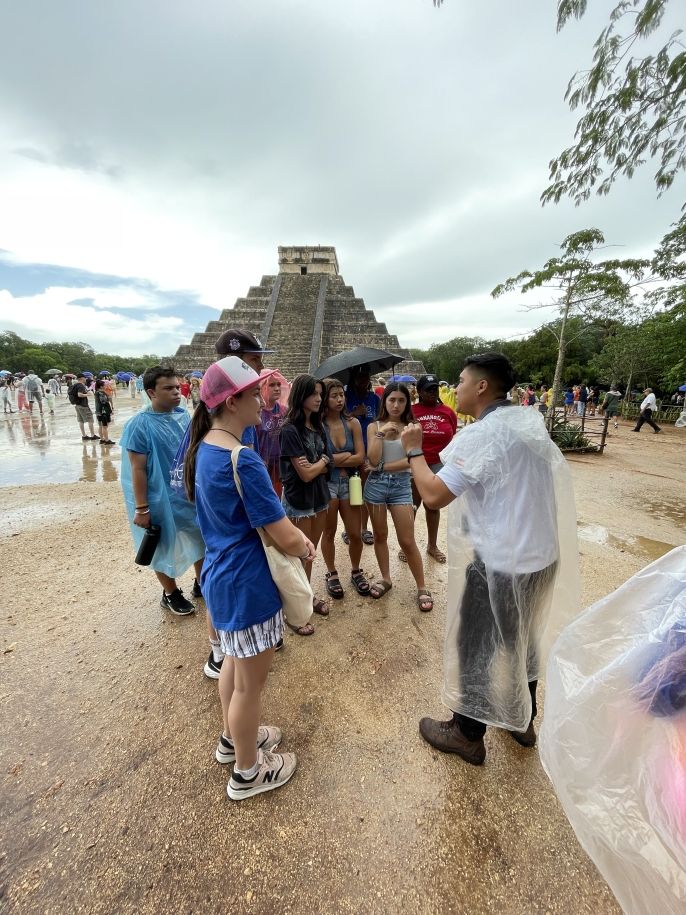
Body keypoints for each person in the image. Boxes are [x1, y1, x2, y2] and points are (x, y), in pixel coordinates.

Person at [400, 352, 578, 766]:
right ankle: (521, 718)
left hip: (502, 560)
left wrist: (411, 450)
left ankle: (467, 733)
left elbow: (432, 495)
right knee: (522, 636)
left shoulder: (482, 435)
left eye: (461, 381)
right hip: (540, 556)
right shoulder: (527, 421)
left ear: (482, 386)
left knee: (474, 642)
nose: (455, 388)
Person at [185, 356, 312, 800]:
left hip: (221, 576)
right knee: (249, 685)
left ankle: (232, 741)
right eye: (254, 393)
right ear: (232, 401)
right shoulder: (244, 458)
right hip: (248, 581)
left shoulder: (204, 447)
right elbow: (280, 532)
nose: (262, 400)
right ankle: (247, 772)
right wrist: (305, 547)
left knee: (233, 668)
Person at [120, 366, 205, 617]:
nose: (177, 393)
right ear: (151, 392)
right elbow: (137, 469)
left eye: (177, 387)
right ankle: (170, 593)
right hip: (158, 497)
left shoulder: (183, 417)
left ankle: (203, 582)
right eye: (168, 388)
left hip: (186, 492)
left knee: (200, 536)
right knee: (162, 544)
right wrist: (142, 507)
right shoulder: (139, 425)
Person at [365, 382, 433, 612]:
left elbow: (411, 460)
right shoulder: (374, 426)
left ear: (407, 402)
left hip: (402, 485)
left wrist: (383, 467)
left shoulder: (413, 428)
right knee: (380, 535)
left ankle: (422, 586)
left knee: (407, 540)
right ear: (384, 401)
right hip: (375, 487)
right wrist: (382, 434)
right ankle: (386, 578)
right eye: (391, 400)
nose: (396, 405)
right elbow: (371, 459)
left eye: (401, 400)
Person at [279, 374, 331, 629]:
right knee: (298, 555)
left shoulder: (319, 426)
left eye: (321, 394)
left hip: (320, 497)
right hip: (299, 499)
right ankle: (294, 610)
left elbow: (318, 467)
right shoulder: (289, 430)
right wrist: (321, 463)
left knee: (310, 554)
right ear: (301, 396)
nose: (319, 399)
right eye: (314, 394)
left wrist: (318, 465)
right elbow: (307, 473)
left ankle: (306, 597)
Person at [320, 377, 370, 599]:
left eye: (342, 395)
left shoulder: (353, 423)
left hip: (351, 484)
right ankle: (331, 572)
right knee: (328, 532)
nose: (340, 400)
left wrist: (332, 459)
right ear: (325, 399)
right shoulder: (318, 425)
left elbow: (361, 456)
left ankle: (356, 569)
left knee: (355, 533)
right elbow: (318, 459)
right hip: (328, 484)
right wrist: (344, 457)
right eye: (334, 396)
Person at [400, 374, 457, 566]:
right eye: (428, 390)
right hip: (416, 463)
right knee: (413, 505)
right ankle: (407, 545)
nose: (432, 393)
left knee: (433, 506)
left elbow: (452, 436)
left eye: (435, 389)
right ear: (420, 392)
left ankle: (432, 545)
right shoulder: (411, 411)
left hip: (438, 464)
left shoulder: (448, 412)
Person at [344, 366, 380, 547]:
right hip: (349, 452)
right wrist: (353, 414)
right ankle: (349, 528)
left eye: (366, 376)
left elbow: (381, 420)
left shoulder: (374, 399)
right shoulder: (345, 397)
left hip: (369, 451)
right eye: (359, 377)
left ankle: (364, 528)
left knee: (364, 491)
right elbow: (336, 420)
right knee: (350, 492)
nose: (363, 381)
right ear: (353, 379)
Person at [256, 370, 289, 497]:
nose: (277, 388)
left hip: (280, 464)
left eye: (278, 384)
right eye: (272, 385)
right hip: (262, 464)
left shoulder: (284, 410)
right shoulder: (256, 411)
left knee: (278, 497)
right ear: (262, 387)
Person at [70, 372, 98, 440]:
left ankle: (84, 435)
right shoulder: (81, 385)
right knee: (90, 419)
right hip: (83, 405)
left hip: (77, 405)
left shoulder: (75, 385)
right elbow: (79, 394)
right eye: (85, 378)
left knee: (81, 420)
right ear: (82, 378)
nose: (85, 379)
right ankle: (92, 435)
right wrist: (88, 395)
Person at [94, 379, 116, 445]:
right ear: (101, 386)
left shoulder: (97, 392)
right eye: (104, 385)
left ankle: (102, 439)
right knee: (105, 426)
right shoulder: (101, 393)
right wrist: (109, 397)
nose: (105, 386)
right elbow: (103, 401)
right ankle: (106, 440)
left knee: (100, 426)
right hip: (104, 411)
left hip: (99, 411)